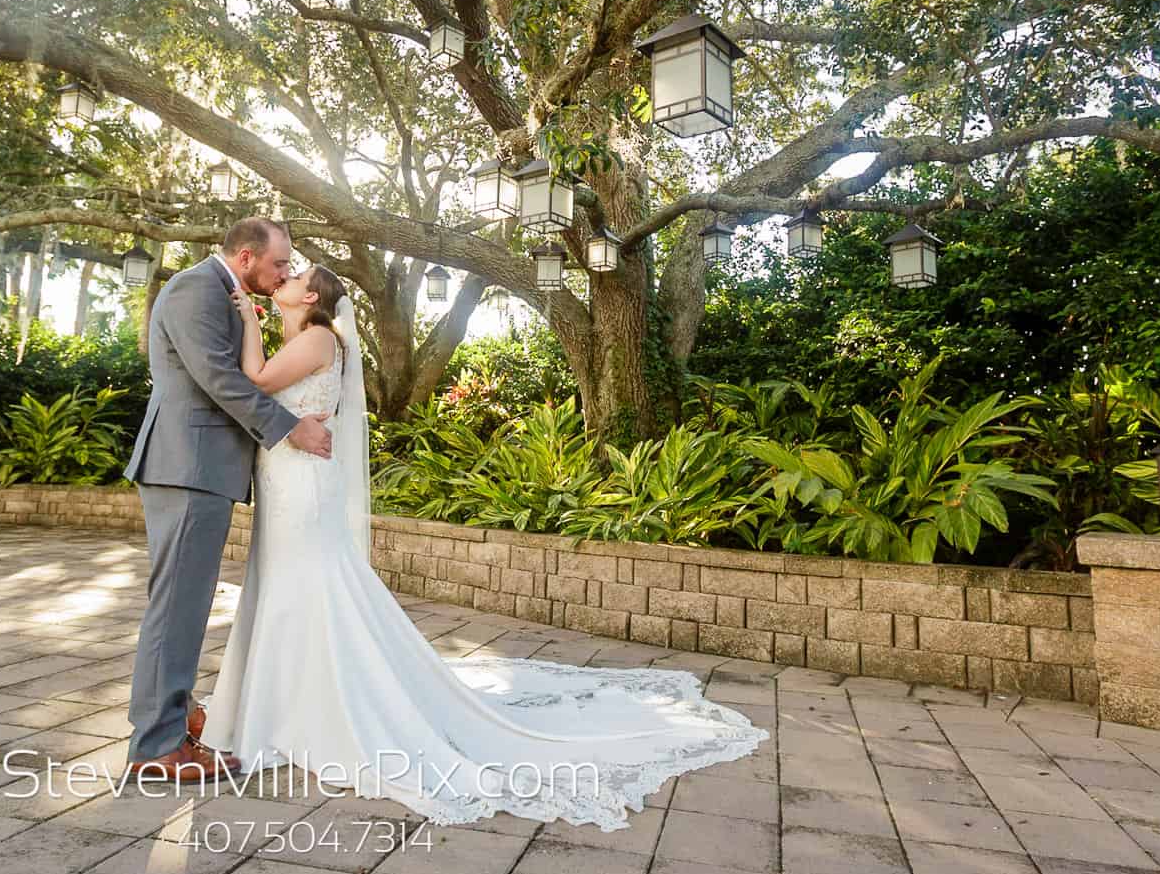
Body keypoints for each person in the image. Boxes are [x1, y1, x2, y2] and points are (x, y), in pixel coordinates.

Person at [195, 262, 769, 831]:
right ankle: (283, 704)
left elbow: (255, 383)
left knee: (312, 584)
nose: (282, 281)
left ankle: (318, 707)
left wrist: (245, 318)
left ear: (312, 293)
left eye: (292, 277)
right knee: (288, 584)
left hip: (301, 485)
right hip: (284, 477)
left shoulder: (319, 337)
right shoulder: (303, 339)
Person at [121, 218, 334, 782]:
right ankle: (157, 747)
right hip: (188, 466)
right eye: (279, 263)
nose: (284, 272)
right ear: (245, 257)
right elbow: (218, 377)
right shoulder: (197, 289)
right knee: (178, 606)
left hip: (196, 466)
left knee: (181, 602)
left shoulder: (220, 292)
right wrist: (292, 428)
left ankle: (177, 714)